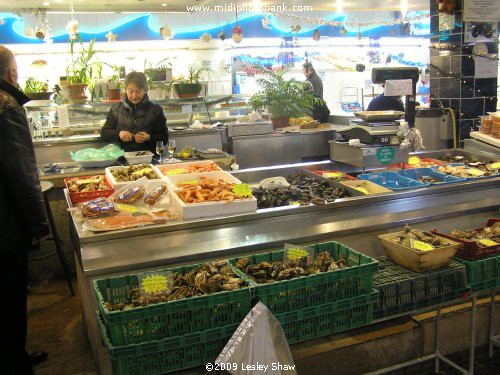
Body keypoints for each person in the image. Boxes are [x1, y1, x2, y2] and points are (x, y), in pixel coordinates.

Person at [0, 45, 50, 375]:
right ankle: (15, 362)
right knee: (9, 297)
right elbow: (21, 172)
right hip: (4, 227)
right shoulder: (7, 108)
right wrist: (38, 225)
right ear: (12, 73)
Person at [100, 72, 168, 153]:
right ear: (125, 90)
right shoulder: (116, 109)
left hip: (148, 159)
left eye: (138, 91)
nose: (134, 96)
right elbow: (104, 134)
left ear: (145, 90)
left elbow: (165, 138)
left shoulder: (156, 110)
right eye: (131, 91)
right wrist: (119, 134)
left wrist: (148, 137)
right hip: (121, 158)